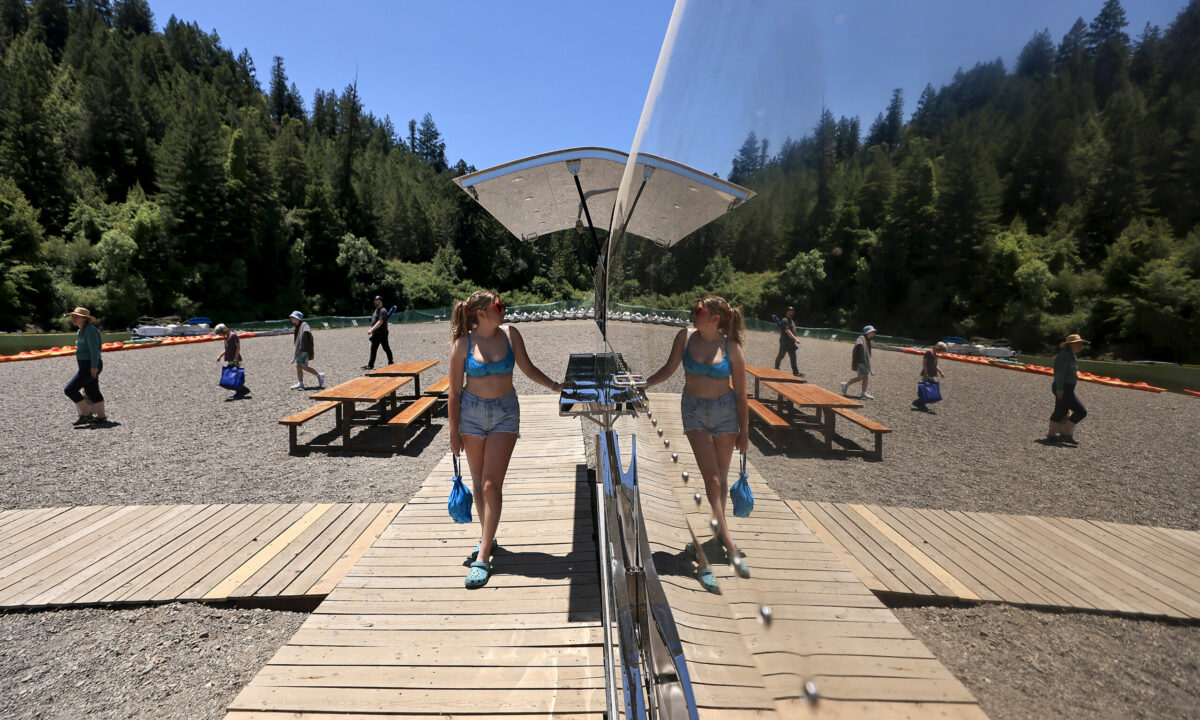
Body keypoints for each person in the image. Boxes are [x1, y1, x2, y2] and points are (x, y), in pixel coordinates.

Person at [448, 290, 569, 589]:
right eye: (498, 306)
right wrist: (453, 432)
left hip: (505, 413)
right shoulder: (463, 344)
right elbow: (454, 391)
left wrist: (556, 386)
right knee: (478, 482)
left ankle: (484, 555)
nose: (504, 309)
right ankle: (488, 535)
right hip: (471, 415)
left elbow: (527, 368)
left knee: (491, 484)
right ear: (481, 314)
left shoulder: (511, 334)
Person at [645, 295, 750, 593]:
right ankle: (727, 546)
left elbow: (741, 395)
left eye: (698, 311)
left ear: (716, 318)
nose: (693, 314)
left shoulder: (731, 348)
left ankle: (715, 539)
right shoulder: (685, 337)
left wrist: (745, 432)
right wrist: (643, 384)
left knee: (722, 479)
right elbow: (668, 369)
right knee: (713, 480)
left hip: (726, 412)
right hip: (693, 410)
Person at [64, 307, 107, 425]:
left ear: (84, 318)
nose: (73, 318)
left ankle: (86, 414)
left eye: (76, 316)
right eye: (72, 316)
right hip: (85, 365)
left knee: (70, 389)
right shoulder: (81, 331)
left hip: (90, 365)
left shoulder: (90, 330)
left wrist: (94, 366)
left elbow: (94, 349)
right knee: (92, 391)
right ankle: (101, 417)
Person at [1048, 333, 1089, 444]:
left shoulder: (1071, 355)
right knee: (1081, 411)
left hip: (1066, 387)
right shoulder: (1064, 355)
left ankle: (1052, 435)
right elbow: (1059, 373)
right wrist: (1060, 389)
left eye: (1081, 343)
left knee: (1061, 410)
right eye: (1078, 343)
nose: (1081, 345)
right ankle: (1066, 434)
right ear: (1071, 344)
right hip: (1063, 387)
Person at [289, 311, 324, 390]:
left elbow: (307, 330)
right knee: (298, 366)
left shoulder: (304, 324)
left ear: (297, 318)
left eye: (293, 317)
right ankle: (300, 383)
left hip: (304, 349)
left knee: (304, 367)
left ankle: (319, 375)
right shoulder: (297, 326)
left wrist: (305, 334)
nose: (291, 319)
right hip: (299, 349)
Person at [213, 324, 250, 399]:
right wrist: (220, 356)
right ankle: (241, 390)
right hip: (230, 359)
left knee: (234, 376)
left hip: (236, 359)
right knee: (233, 376)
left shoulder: (233, 335)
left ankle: (243, 390)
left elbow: (238, 347)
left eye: (219, 333)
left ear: (222, 331)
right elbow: (226, 349)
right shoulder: (226, 338)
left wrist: (236, 357)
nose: (219, 335)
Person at [840, 325, 877, 399]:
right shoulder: (861, 338)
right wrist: (862, 358)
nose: (874, 333)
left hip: (864, 361)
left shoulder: (867, 339)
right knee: (861, 377)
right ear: (868, 332)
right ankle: (846, 384)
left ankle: (863, 393)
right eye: (872, 331)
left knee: (865, 377)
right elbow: (859, 345)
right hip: (861, 361)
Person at [913, 341, 948, 411]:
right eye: (942, 351)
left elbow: (935, 365)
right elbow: (924, 363)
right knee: (926, 388)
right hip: (925, 374)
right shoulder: (929, 352)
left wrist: (940, 372)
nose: (941, 353)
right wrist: (926, 372)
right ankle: (919, 403)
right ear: (938, 348)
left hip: (930, 374)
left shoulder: (935, 355)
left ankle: (919, 403)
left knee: (928, 388)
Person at [362, 295, 393, 370]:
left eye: (376, 300)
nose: (375, 301)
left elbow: (380, 321)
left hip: (382, 333)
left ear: (380, 301)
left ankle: (391, 362)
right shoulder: (376, 310)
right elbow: (375, 320)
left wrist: (371, 329)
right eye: (374, 300)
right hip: (376, 334)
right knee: (373, 349)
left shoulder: (383, 310)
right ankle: (370, 365)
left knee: (386, 348)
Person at [774, 306, 803, 377]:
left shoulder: (791, 320)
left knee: (793, 357)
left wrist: (796, 330)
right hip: (785, 342)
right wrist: (795, 339)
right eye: (791, 310)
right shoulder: (785, 320)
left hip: (791, 342)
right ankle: (776, 368)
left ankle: (796, 372)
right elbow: (787, 331)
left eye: (793, 310)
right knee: (781, 356)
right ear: (787, 312)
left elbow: (791, 329)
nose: (793, 311)